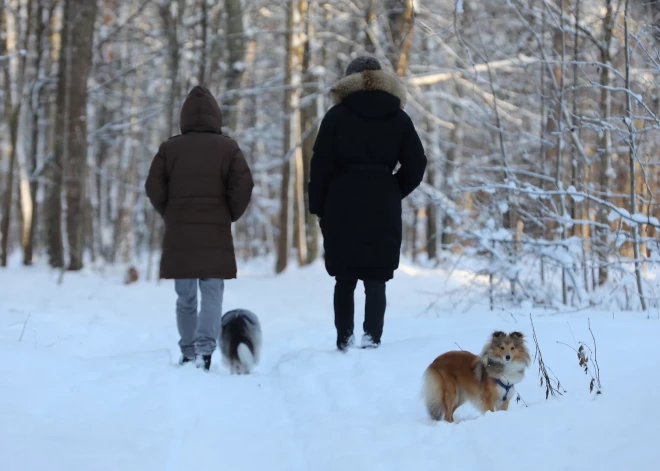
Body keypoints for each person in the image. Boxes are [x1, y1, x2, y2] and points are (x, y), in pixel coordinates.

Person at [308, 56, 427, 352]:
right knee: (377, 276)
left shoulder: (336, 116)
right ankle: (372, 338)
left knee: (344, 276)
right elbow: (417, 162)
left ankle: (344, 339)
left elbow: (320, 166)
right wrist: (392, 189)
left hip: (341, 202)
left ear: (349, 80)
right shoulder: (399, 118)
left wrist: (320, 207)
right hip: (382, 201)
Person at [145, 85, 254, 371]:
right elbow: (244, 184)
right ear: (215, 116)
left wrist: (169, 212)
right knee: (212, 292)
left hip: (180, 231)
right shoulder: (228, 147)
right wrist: (229, 212)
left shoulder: (170, 148)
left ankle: (188, 350)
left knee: (185, 297)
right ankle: (206, 352)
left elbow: (153, 187)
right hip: (215, 229)